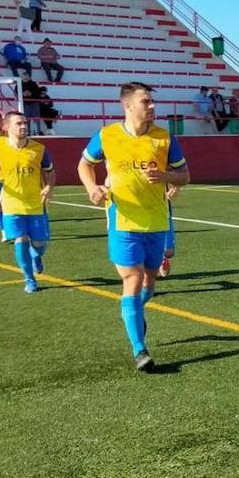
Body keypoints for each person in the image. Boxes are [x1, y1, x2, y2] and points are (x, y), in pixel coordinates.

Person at [78, 82, 190, 372]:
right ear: (128, 106)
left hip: (156, 221)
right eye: (146, 102)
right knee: (133, 279)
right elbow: (84, 165)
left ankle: (136, 315)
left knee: (149, 284)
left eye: (152, 102)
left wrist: (165, 175)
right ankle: (139, 349)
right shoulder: (107, 136)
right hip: (122, 219)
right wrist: (92, 188)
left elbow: (184, 175)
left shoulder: (164, 138)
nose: (152, 106)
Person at [0, 111, 54, 293]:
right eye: (18, 124)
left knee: (39, 244)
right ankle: (29, 279)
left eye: (24, 123)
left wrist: (49, 187)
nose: (23, 127)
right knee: (20, 239)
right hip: (11, 204)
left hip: (36, 204)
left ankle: (36, 256)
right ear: (7, 127)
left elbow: (50, 171)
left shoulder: (39, 149)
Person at [159, 185, 180, 279]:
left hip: (161, 204)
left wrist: (176, 186)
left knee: (169, 252)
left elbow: (179, 172)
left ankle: (161, 259)